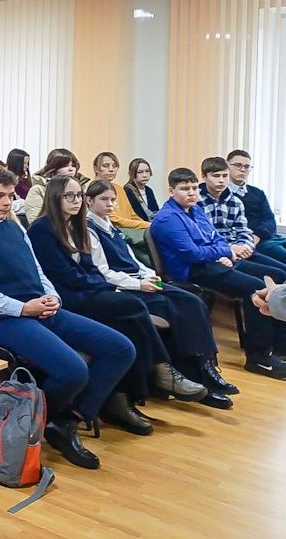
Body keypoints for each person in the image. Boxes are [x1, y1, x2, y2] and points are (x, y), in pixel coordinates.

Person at [0, 166, 134, 469]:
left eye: (10, 196)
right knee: (73, 370)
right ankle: (41, 423)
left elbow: (37, 271)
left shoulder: (14, 227)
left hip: (41, 309)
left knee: (121, 349)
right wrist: (22, 308)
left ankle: (67, 418)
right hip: (4, 320)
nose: (7, 203)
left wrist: (52, 296)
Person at [28, 176, 206, 435]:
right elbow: (64, 275)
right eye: (69, 196)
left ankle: (126, 396)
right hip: (68, 297)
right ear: (55, 198)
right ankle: (159, 371)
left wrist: (100, 285)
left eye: (78, 195)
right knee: (131, 306)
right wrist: (104, 287)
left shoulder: (75, 224)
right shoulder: (41, 229)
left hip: (88, 289)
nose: (76, 201)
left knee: (129, 319)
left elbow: (89, 267)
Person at [85, 180, 237, 408]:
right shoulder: (89, 229)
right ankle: (187, 376)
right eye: (104, 199)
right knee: (171, 308)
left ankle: (205, 367)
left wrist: (150, 275)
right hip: (124, 287)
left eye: (113, 200)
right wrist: (139, 284)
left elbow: (133, 260)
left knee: (192, 301)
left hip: (140, 279)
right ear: (89, 201)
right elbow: (103, 272)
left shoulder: (110, 226)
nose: (110, 204)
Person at [150, 167, 286, 378]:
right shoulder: (167, 218)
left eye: (194, 188)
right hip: (194, 271)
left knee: (278, 278)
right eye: (185, 189)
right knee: (256, 287)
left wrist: (224, 251)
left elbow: (217, 238)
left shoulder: (195, 210)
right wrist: (224, 252)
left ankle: (280, 346)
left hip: (215, 262)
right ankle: (258, 357)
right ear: (171, 191)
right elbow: (192, 253)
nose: (192, 193)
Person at [198, 156, 286, 271]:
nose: (221, 180)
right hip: (219, 253)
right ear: (204, 177)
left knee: (281, 272)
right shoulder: (196, 202)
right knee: (265, 276)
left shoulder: (236, 201)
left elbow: (244, 229)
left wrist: (244, 246)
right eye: (216, 176)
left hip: (243, 247)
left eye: (225, 176)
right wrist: (230, 249)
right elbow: (202, 237)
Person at [226, 149, 286, 266]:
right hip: (249, 242)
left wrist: (258, 235)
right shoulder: (223, 194)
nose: (243, 169)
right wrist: (250, 239)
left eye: (247, 166)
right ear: (227, 166)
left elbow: (269, 220)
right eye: (238, 165)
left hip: (266, 237)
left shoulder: (257, 193)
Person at [24, 149, 89, 225]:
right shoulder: (38, 190)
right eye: (65, 166)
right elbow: (35, 221)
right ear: (53, 168)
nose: (71, 169)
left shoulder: (81, 189)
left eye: (73, 166)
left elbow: (85, 220)